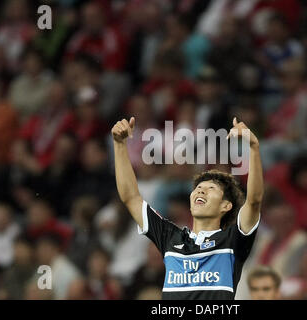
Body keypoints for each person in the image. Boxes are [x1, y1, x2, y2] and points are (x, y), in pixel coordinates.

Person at [111, 116, 263, 300]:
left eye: (210, 189)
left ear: (226, 205)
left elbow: (254, 201)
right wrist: (119, 145)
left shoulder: (233, 240)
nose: (201, 191)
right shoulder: (170, 237)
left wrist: (254, 149)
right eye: (198, 188)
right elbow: (131, 197)